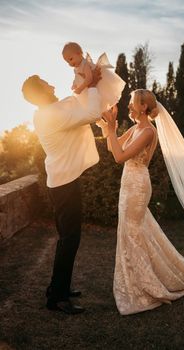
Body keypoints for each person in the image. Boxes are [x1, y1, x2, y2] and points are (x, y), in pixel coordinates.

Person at [99, 89, 184, 315]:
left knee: (132, 233)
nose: (129, 106)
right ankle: (137, 280)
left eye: (132, 103)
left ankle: (143, 285)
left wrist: (112, 129)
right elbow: (112, 147)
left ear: (143, 107)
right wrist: (108, 127)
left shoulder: (148, 132)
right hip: (129, 184)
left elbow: (119, 157)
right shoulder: (135, 128)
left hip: (137, 186)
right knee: (134, 232)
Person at [22, 68, 102, 315]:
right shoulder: (54, 113)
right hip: (64, 184)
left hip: (59, 181)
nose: (53, 87)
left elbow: (73, 104)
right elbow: (92, 112)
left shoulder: (42, 114)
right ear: (41, 94)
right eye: (47, 85)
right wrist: (92, 85)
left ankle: (59, 289)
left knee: (66, 239)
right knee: (70, 239)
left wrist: (86, 83)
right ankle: (57, 298)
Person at [62, 42, 125, 112]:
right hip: (87, 88)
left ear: (79, 53)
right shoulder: (77, 68)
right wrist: (74, 84)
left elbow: (89, 78)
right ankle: (106, 120)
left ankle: (108, 119)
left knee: (101, 103)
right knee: (97, 107)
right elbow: (77, 77)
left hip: (97, 86)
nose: (70, 63)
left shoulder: (85, 64)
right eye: (68, 62)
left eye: (71, 59)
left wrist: (80, 89)